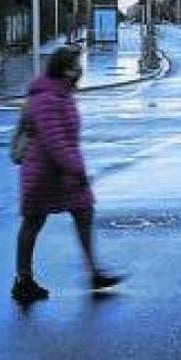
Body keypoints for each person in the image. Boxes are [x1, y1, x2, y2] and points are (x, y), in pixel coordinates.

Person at [13, 45, 123, 303]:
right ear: (63, 70)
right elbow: (55, 141)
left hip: (62, 172)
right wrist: (77, 170)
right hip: (42, 172)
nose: (79, 71)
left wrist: (74, 168)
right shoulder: (46, 98)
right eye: (75, 66)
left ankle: (94, 273)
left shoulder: (62, 94)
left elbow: (66, 140)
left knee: (84, 212)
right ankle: (23, 281)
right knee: (33, 222)